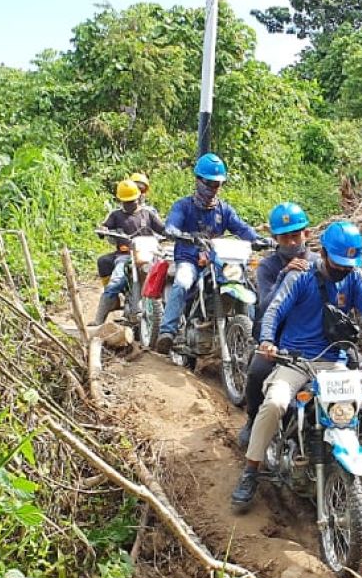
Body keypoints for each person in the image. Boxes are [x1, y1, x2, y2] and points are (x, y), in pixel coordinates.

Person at [231, 220, 362, 514]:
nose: (345, 268)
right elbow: (274, 309)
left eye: (350, 263)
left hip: (334, 362)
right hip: (295, 360)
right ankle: (250, 471)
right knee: (274, 403)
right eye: (340, 262)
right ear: (323, 253)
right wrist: (268, 341)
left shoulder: (354, 277)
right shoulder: (299, 277)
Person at [156, 153, 266, 353]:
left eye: (217, 184)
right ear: (197, 180)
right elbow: (171, 224)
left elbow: (241, 229)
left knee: (248, 286)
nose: (212, 188)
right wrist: (174, 232)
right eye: (208, 182)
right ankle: (167, 331)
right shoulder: (183, 206)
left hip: (218, 263)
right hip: (190, 259)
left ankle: (254, 336)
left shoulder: (224, 210)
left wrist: (257, 239)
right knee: (181, 283)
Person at [236, 201, 319, 450]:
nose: (292, 243)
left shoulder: (319, 262)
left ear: (307, 234)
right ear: (275, 239)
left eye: (296, 236)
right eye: (285, 238)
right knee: (257, 371)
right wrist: (284, 275)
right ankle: (252, 420)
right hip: (277, 337)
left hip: (313, 338)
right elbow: (265, 306)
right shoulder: (268, 267)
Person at [93, 179, 165, 326]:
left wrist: (171, 232)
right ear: (120, 201)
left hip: (148, 254)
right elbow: (104, 228)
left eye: (132, 200)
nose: (130, 204)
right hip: (125, 256)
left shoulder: (147, 214)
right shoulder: (115, 215)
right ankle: (99, 319)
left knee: (167, 276)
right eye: (126, 201)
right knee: (116, 282)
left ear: (138, 197)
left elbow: (162, 228)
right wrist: (104, 230)